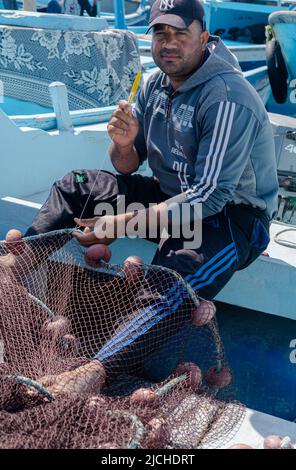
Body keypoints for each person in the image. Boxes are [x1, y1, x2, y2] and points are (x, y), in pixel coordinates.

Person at [2, 0, 278, 394]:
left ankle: (93, 372)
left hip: (231, 218)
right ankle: (13, 267)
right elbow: (128, 166)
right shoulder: (153, 85)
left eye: (180, 33)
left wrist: (123, 223)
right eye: (160, 33)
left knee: (173, 277)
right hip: (170, 196)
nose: (169, 43)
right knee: (79, 183)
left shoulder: (227, 97)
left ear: (204, 36)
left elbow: (210, 197)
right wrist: (124, 145)